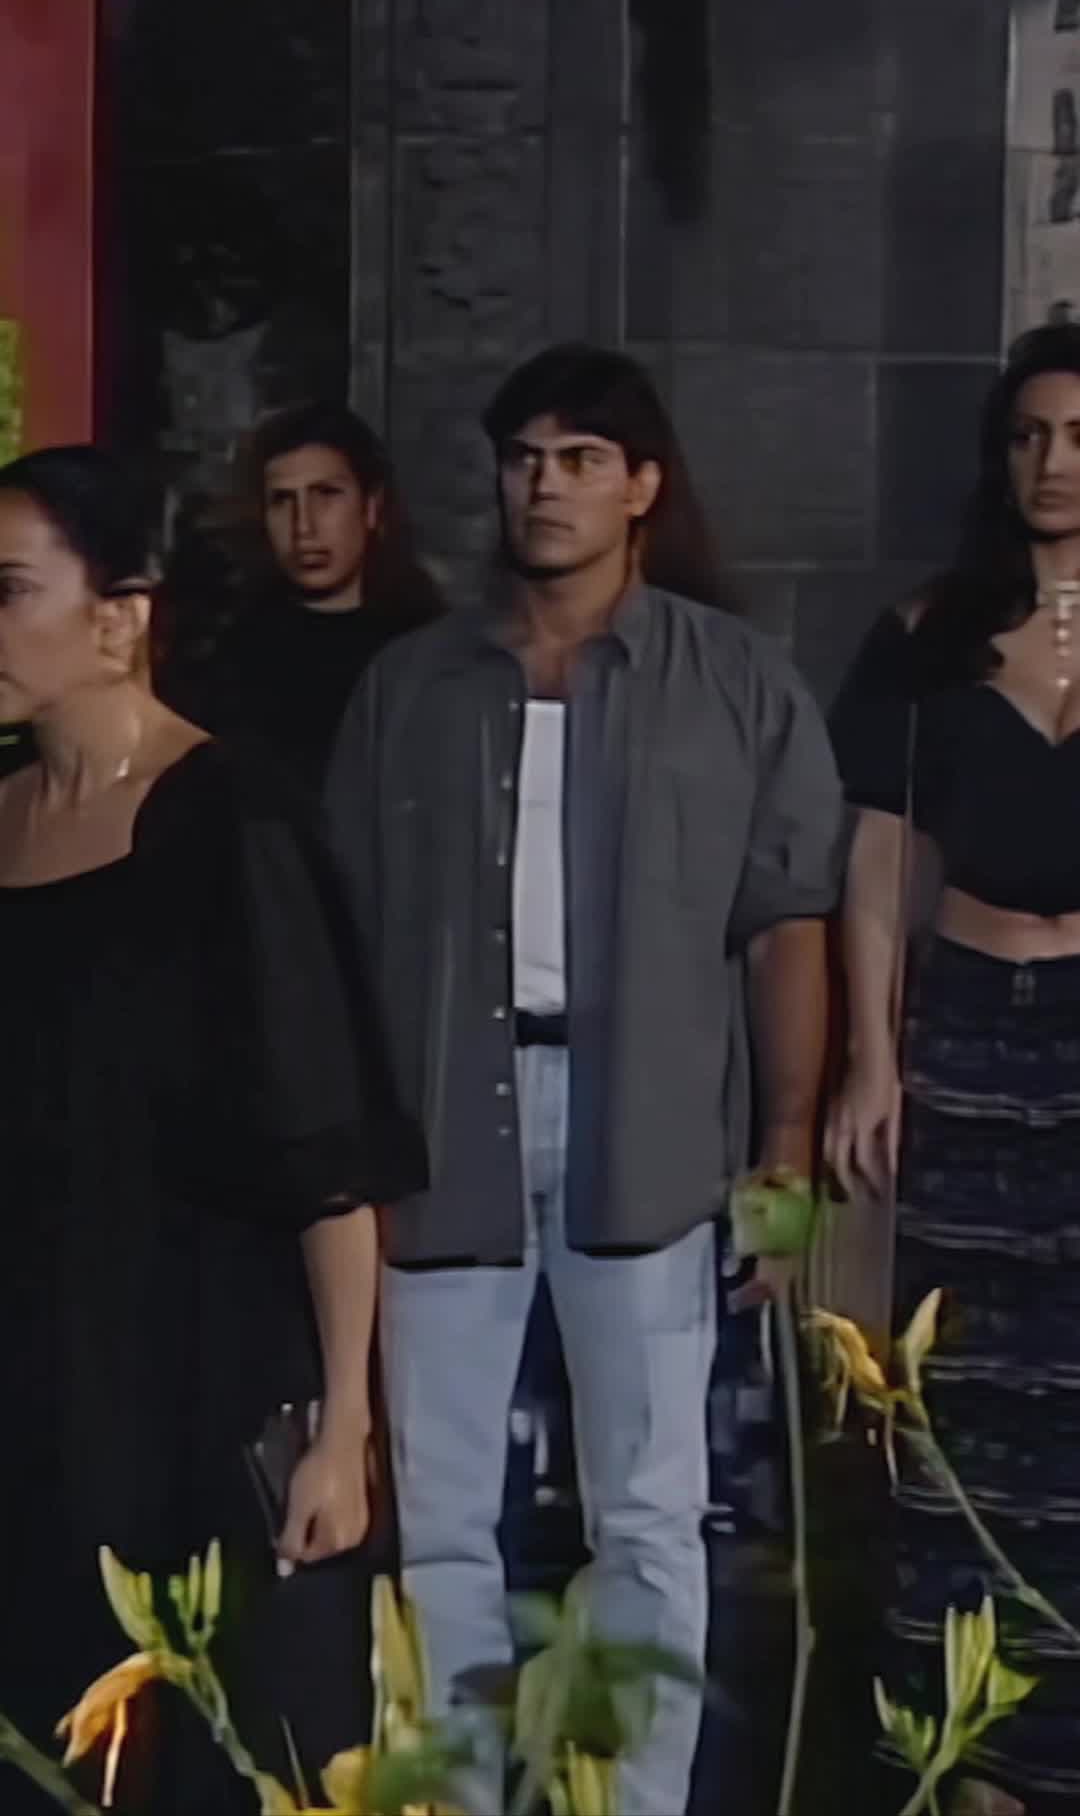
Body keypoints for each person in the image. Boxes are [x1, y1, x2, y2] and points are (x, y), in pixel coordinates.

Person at [326, 342, 845, 1815]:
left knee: (653, 1511)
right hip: (445, 1126)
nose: (545, 487)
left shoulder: (729, 679)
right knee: (442, 1514)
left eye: (581, 460)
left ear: (643, 487)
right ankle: (458, 1794)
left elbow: (786, 923)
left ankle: (636, 1797)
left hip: (654, 1131)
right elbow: (346, 932)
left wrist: (787, 1153)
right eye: (524, 459)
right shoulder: (413, 685)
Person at [0, 446, 424, 1814]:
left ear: (119, 615)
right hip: (30, 1363)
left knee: (198, 1739)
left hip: (193, 1360)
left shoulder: (235, 821)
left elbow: (329, 1150)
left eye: (8, 591)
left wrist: (345, 1423)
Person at [827, 323, 1080, 1814]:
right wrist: (872, 1055)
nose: (1055, 464)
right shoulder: (929, 632)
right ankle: (966, 1762)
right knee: (965, 1391)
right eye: (1031, 435)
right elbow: (874, 859)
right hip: (973, 1022)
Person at [161, 401, 439, 785]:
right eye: (283, 500)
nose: (303, 526)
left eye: (326, 494)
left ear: (371, 508)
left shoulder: (426, 653)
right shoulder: (230, 657)